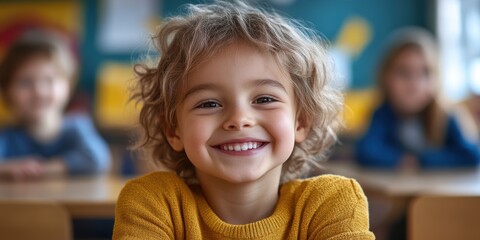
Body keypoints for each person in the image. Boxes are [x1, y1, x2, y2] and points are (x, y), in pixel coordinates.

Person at [113, 1, 374, 239]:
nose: (239, 119)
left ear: (301, 121)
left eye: (264, 99)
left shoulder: (331, 203)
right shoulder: (154, 202)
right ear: (174, 130)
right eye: (209, 103)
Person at [356, 28, 480, 170]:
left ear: (437, 79)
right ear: (385, 77)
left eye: (425, 73)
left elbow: (472, 156)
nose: (414, 84)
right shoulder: (382, 114)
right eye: (404, 72)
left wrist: (418, 161)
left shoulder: (446, 116)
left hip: (437, 190)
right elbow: (365, 153)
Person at [0, 31, 110, 181]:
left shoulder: (77, 127)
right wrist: (9, 168)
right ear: (7, 92)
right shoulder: (7, 138)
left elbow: (97, 158)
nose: (38, 91)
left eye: (49, 80)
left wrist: (42, 169)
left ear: (68, 86)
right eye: (25, 82)